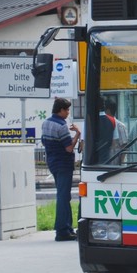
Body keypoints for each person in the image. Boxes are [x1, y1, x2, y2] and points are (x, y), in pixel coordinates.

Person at [41, 98, 81, 242]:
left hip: (52, 162)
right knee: (63, 197)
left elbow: (44, 141)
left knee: (63, 195)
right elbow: (69, 148)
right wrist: (77, 134)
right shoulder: (61, 125)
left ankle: (68, 228)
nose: (68, 113)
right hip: (63, 163)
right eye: (67, 110)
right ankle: (62, 230)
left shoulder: (46, 123)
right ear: (61, 110)